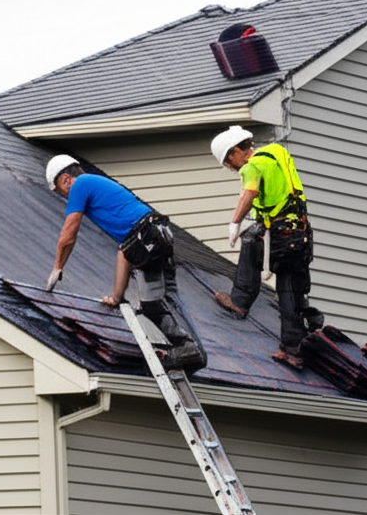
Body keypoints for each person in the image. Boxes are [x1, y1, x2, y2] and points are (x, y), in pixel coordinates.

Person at [44, 155, 206, 373]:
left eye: (59, 192)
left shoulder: (80, 184)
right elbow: (125, 252)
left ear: (65, 180)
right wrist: (116, 298)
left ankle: (187, 350)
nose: (64, 197)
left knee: (150, 304)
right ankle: (193, 352)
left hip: (146, 236)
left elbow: (69, 232)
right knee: (167, 298)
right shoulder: (98, 187)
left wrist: (58, 267)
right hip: (155, 234)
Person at [210, 126, 320, 369]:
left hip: (281, 233)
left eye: (231, 162)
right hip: (300, 235)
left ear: (236, 152)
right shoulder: (277, 153)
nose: (234, 168)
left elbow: (250, 191)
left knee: (250, 241)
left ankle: (239, 301)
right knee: (290, 290)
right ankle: (293, 350)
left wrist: (235, 222)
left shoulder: (253, 166)